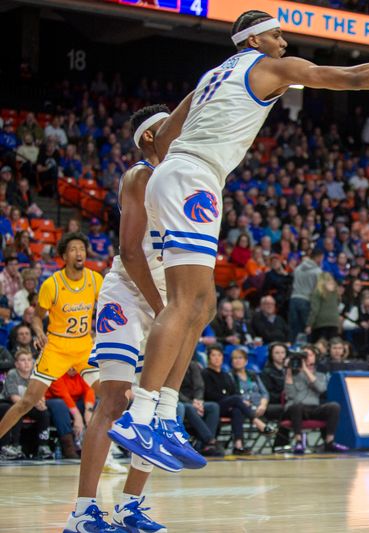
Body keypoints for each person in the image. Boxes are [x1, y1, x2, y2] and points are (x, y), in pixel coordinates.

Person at [111, 10, 369, 470]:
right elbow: (355, 77)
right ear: (255, 39)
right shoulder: (269, 66)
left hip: (182, 172)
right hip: (195, 176)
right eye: (276, 34)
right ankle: (140, 412)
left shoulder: (210, 75)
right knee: (185, 304)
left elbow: (162, 138)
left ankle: (164, 412)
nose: (283, 42)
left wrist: (175, 168)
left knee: (203, 305)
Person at [67, 106, 201, 533]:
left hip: (166, 302)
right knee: (116, 398)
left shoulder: (179, 179)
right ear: (149, 138)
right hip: (128, 294)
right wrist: (164, 309)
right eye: (169, 127)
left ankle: (129, 505)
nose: (179, 131)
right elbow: (129, 252)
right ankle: (82, 512)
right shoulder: (139, 175)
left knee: (154, 407)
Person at [0, 233, 102, 446]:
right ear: (64, 256)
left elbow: (106, 309)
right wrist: (39, 332)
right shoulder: (52, 284)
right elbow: (37, 317)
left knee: (112, 398)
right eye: (73, 249)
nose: (79, 253)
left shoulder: (95, 279)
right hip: (57, 347)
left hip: (84, 346)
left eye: (82, 249)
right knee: (27, 401)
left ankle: (106, 452)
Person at [284, 345, 348, 454]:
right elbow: (290, 395)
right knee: (297, 405)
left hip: (313, 408)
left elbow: (321, 388)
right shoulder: (293, 375)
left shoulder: (320, 375)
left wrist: (305, 369)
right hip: (296, 409)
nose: (307, 357)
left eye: (309, 355)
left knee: (334, 406)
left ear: (315, 357)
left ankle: (329, 442)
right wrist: (289, 372)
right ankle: (299, 441)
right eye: (304, 355)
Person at [0, 348, 51, 460]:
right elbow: (14, 398)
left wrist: (41, 403)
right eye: (23, 360)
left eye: (29, 360)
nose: (27, 362)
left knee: (44, 412)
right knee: (15, 410)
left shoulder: (36, 374)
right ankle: (14, 445)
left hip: (29, 404)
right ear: (17, 364)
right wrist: (34, 403)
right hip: (11, 403)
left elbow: (41, 395)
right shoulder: (12, 374)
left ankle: (43, 445)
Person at [202, 345, 252, 455]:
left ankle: (238, 445)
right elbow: (209, 395)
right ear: (208, 358)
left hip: (226, 406)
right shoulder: (205, 373)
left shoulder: (226, 375)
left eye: (219, 355)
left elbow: (234, 392)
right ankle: (255, 420)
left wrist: (230, 399)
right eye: (213, 355)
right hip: (213, 407)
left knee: (237, 410)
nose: (216, 358)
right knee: (236, 400)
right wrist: (229, 399)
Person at [178, 358, 223, 457]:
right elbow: (175, 390)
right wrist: (191, 402)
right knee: (188, 408)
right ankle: (210, 440)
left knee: (213, 407)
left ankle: (204, 445)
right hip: (180, 401)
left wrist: (198, 401)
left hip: (195, 401)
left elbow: (200, 386)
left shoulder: (193, 365)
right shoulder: (172, 365)